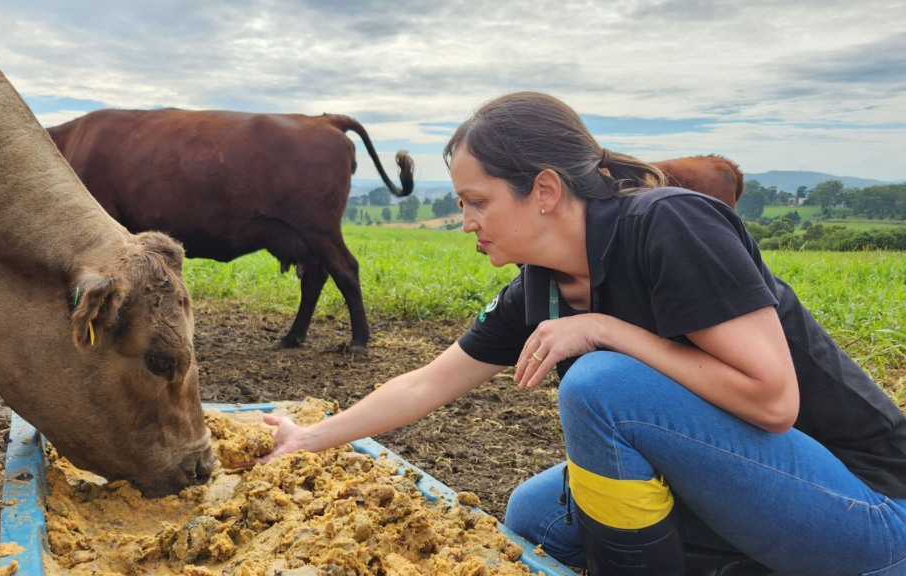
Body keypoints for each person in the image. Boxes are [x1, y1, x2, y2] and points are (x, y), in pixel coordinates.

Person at [256, 92, 906, 575]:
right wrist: (308, 438)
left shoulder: (669, 225)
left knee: (600, 384)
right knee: (533, 517)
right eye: (460, 204)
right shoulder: (540, 285)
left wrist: (606, 330)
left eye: (476, 201)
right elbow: (428, 381)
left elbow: (773, 401)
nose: (465, 222)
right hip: (761, 489)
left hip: (868, 509)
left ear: (542, 191)